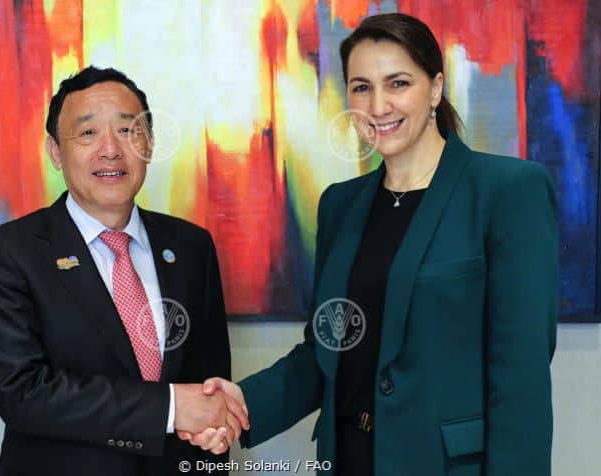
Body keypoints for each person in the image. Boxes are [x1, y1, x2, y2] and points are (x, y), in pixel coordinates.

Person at [182, 13, 558, 476]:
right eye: (361, 87)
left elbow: (521, 379)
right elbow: (326, 352)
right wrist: (240, 404)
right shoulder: (341, 205)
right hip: (348, 459)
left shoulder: (507, 190)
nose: (378, 105)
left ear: (435, 89)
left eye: (398, 83)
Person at [0, 66, 248, 476]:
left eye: (127, 131)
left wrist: (214, 426)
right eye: (87, 133)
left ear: (149, 144)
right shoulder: (8, 254)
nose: (110, 150)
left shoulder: (191, 247)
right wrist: (170, 409)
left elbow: (209, 383)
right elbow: (22, 392)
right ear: (55, 153)